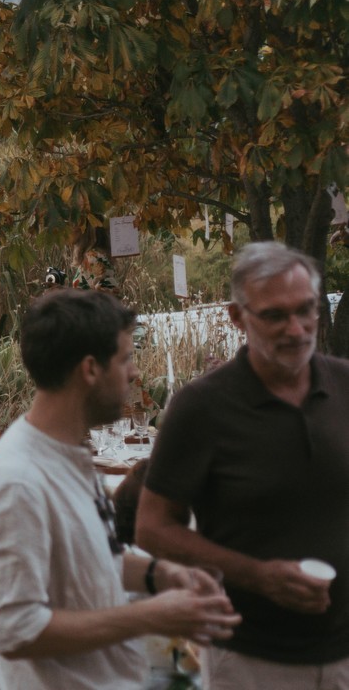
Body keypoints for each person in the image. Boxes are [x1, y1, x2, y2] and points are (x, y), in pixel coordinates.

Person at [0, 288, 239, 689]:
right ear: (90, 369)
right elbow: (16, 630)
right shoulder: (18, 481)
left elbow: (95, 559)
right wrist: (152, 616)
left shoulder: (72, 453)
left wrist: (161, 575)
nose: (134, 373)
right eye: (126, 358)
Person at [138, 242, 349, 688]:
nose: (296, 329)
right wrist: (259, 576)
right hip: (253, 656)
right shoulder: (201, 408)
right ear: (237, 317)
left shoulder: (345, 385)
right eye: (275, 315)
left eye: (306, 310)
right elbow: (153, 527)